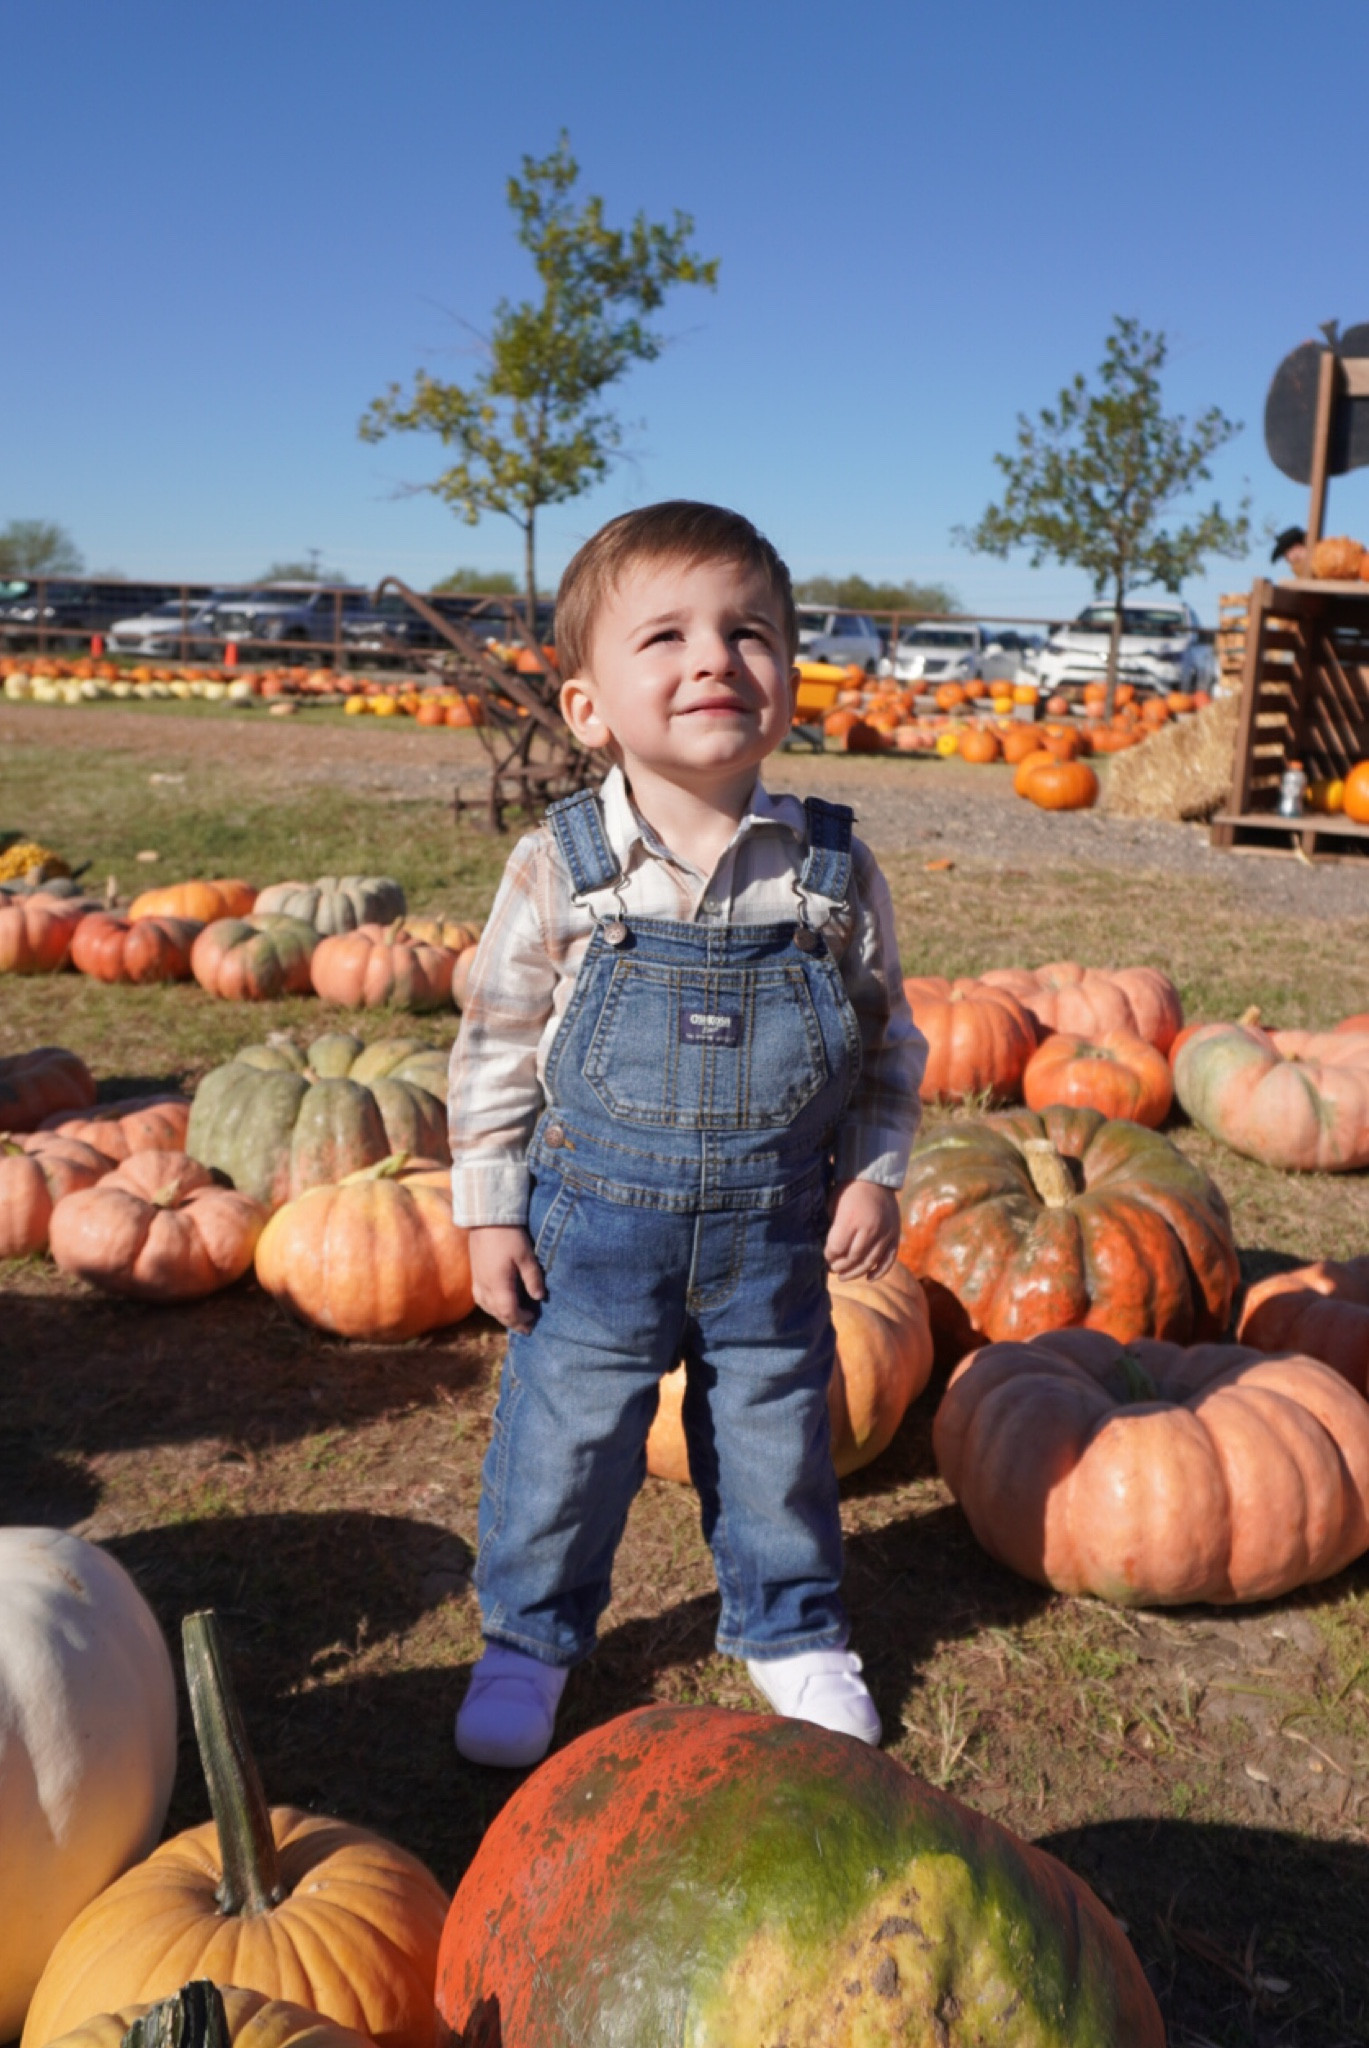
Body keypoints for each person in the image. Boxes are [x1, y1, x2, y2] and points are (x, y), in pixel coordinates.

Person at [447, 501, 926, 1768]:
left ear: (787, 682)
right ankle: (528, 1641)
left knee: (776, 1425)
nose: (714, 657)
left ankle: (791, 1626)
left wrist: (875, 1171)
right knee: (568, 1432)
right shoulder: (559, 866)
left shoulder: (830, 869)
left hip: (776, 1226)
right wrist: (488, 1203)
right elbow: (496, 1041)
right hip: (594, 1227)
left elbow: (885, 1043)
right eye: (664, 635)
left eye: (749, 631)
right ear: (588, 706)